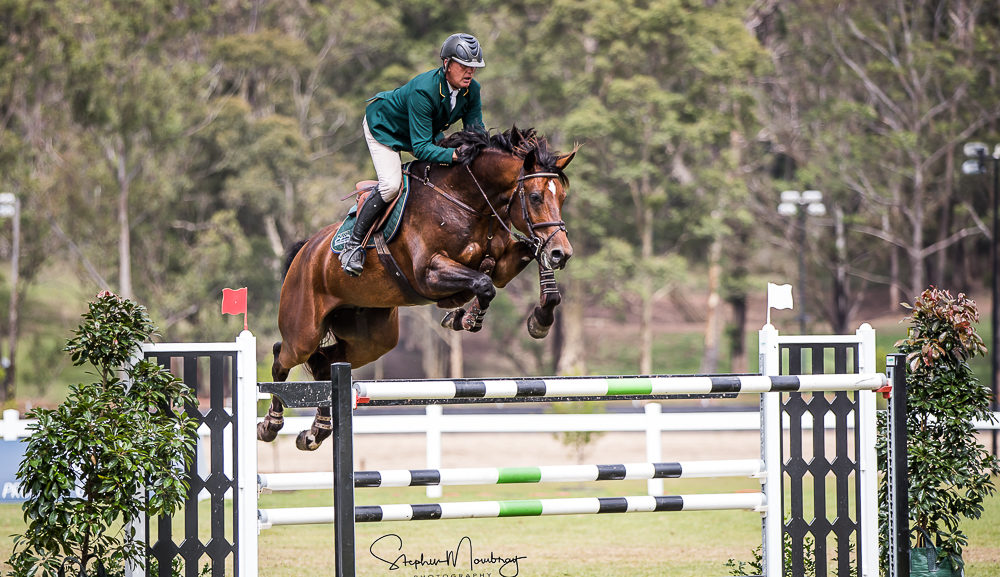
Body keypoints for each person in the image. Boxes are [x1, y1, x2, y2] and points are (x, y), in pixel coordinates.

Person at [340, 33, 487, 277]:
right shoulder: (424, 90)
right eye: (464, 65)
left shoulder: (472, 90)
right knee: (390, 185)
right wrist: (453, 155)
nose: (470, 71)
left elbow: (476, 131)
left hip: (420, 130)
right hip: (385, 127)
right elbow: (420, 149)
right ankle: (352, 246)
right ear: (446, 64)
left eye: (473, 67)